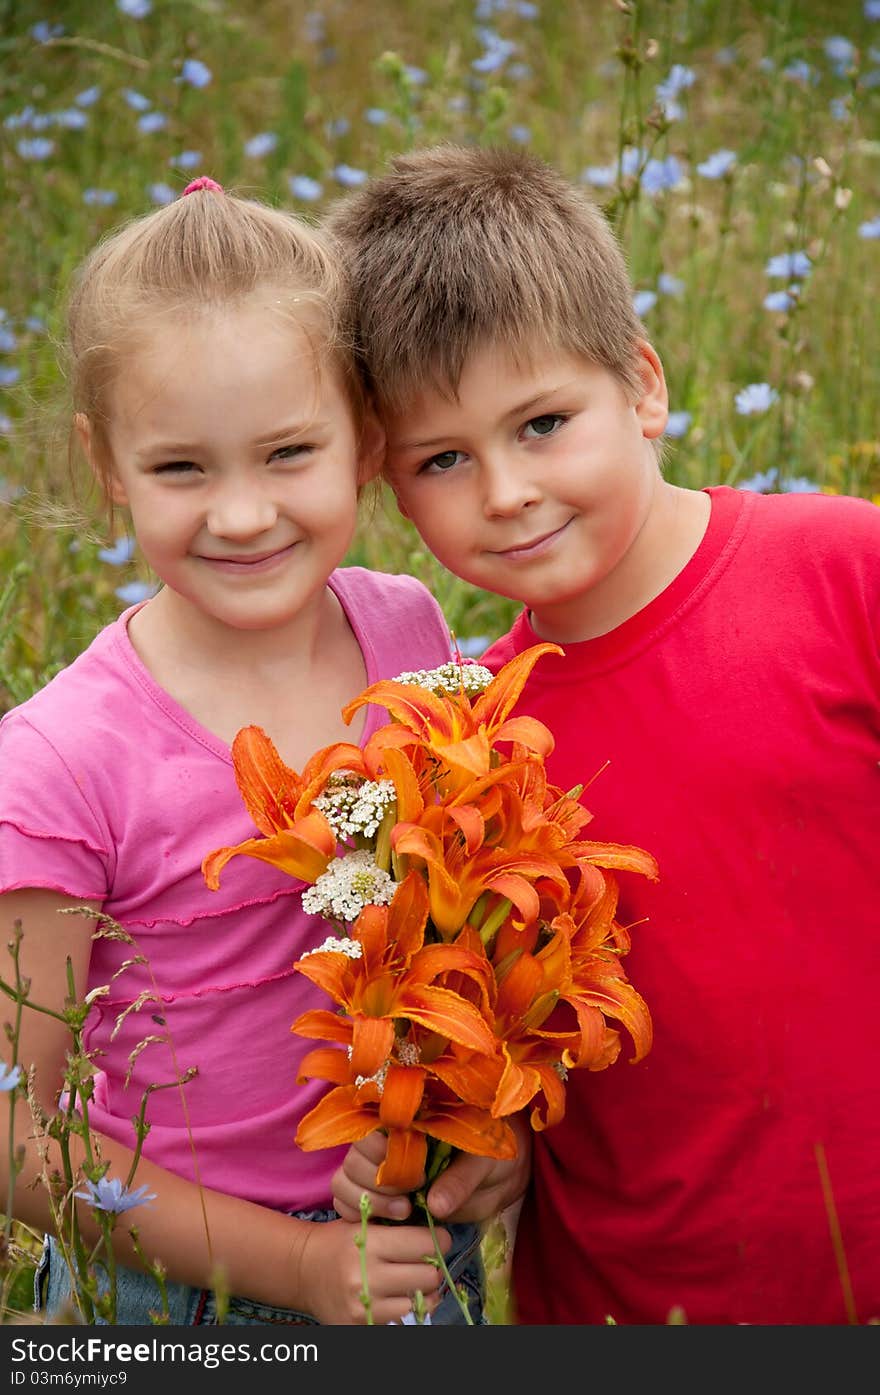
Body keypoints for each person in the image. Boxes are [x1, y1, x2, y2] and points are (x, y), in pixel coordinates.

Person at [324, 146, 880, 1326]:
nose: (506, 491)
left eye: (541, 423)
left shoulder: (843, 569)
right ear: (391, 487)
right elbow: (517, 1040)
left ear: (641, 385)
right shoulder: (463, 742)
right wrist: (482, 1147)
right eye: (442, 459)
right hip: (631, 1302)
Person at [0, 176, 485, 1327]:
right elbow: (20, 1131)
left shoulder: (410, 630)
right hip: (171, 1288)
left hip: (408, 1234)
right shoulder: (62, 762)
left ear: (365, 439)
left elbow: (458, 919)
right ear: (108, 467)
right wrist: (299, 1269)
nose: (241, 515)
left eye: (286, 453)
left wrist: (484, 1144)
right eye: (181, 469)